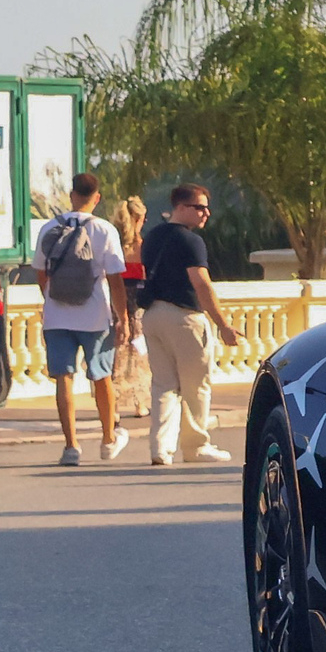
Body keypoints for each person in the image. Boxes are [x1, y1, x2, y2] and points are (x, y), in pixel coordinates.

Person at [33, 172, 134, 465]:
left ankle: (71, 446)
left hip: (56, 315)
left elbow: (40, 270)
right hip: (94, 316)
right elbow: (115, 279)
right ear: (97, 198)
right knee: (101, 376)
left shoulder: (49, 227)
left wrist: (52, 295)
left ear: (71, 194)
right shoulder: (104, 230)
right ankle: (107, 439)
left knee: (63, 378)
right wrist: (123, 318)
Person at [138, 183, 241, 466]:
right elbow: (201, 284)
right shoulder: (190, 241)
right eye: (199, 207)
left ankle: (160, 447)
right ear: (181, 208)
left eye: (207, 207)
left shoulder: (152, 237)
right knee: (196, 385)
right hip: (184, 317)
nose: (206, 213)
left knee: (163, 385)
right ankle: (196, 445)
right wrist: (222, 324)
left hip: (153, 314)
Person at [110, 195, 151, 421]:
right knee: (138, 355)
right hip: (136, 305)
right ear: (137, 219)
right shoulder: (141, 246)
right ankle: (139, 402)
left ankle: (113, 405)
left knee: (116, 353)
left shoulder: (114, 245)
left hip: (115, 303)